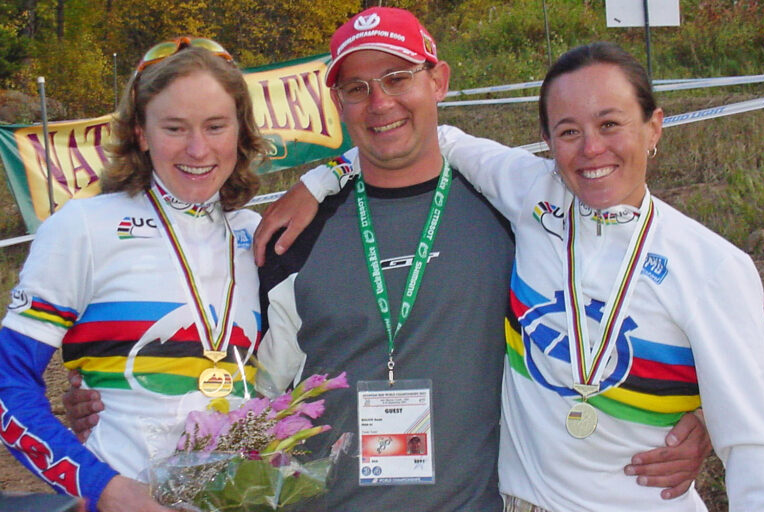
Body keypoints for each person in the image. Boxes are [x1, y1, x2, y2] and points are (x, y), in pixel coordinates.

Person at [66, 9, 709, 511]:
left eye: (399, 78)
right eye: (357, 87)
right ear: (338, 104)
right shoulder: (290, 233)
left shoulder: (517, 216)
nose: (381, 103)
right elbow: (236, 377)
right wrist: (110, 394)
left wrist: (694, 412)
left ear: (439, 80)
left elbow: (611, 316)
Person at [270, 38, 764, 509]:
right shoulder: (532, 195)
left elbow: (755, 448)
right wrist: (323, 177)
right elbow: (426, 134)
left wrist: (705, 414)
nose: (591, 148)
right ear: (547, 142)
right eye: (569, 131)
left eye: (611, 123)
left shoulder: (712, 267)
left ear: (654, 126)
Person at [0, 37, 269, 511]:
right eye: (174, 127)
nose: (197, 148)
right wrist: (104, 489)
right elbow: (8, 380)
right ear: (141, 133)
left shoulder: (260, 236)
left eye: (215, 126)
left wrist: (323, 178)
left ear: (241, 131)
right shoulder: (83, 226)